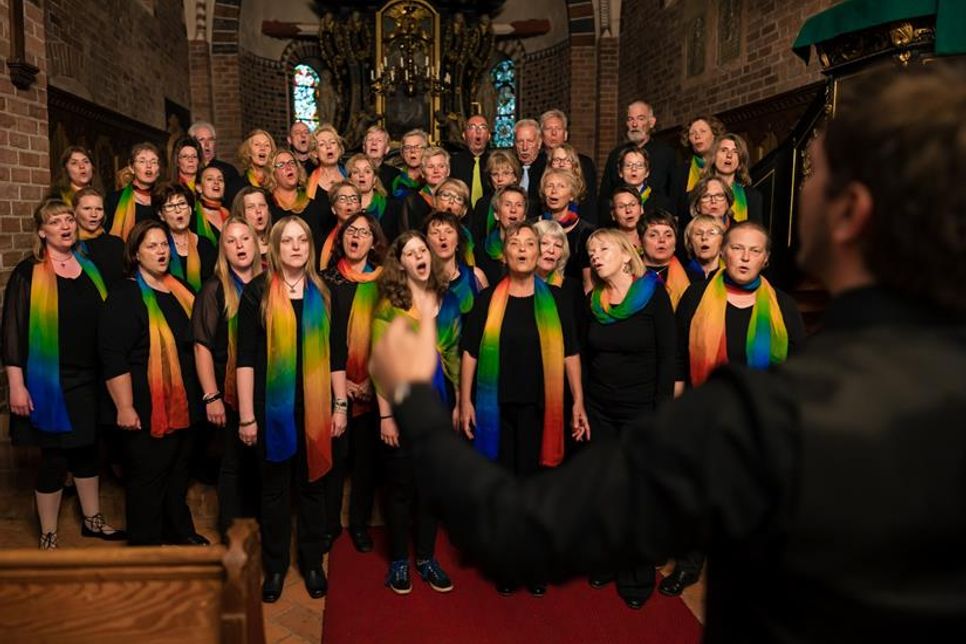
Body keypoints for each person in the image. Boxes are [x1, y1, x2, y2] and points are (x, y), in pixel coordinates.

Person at [369, 66, 966, 643]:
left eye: (815, 176)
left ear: (851, 211)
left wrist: (415, 402)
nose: (801, 189)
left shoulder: (776, 403)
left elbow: (530, 521)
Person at [664, 221, 804, 597]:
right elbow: (678, 357)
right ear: (724, 252)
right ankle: (689, 565)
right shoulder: (696, 296)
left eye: (754, 251)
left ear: (766, 259)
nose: (744, 257)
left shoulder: (783, 307)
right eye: (737, 248)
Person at [459, 221, 588, 596]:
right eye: (515, 242)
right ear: (505, 253)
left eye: (530, 243)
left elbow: (570, 352)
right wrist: (465, 400)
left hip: (541, 407)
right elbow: (469, 352)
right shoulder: (487, 299)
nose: (522, 249)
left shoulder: (557, 300)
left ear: (539, 253)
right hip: (495, 408)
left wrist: (579, 400)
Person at [236, 216, 348, 603]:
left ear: (311, 247)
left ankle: (313, 563)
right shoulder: (258, 293)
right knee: (274, 492)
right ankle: (276, 567)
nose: (296, 247)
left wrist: (340, 405)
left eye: (302, 240)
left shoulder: (326, 293)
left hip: (316, 407)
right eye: (288, 241)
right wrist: (247, 416)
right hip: (272, 409)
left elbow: (337, 356)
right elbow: (245, 359)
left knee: (314, 487)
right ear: (274, 247)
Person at [2, 199, 125, 549]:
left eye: (68, 219)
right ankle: (49, 532)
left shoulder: (89, 267)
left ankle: (92, 520)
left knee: (88, 451)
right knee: (54, 459)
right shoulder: (28, 273)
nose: (65, 226)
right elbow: (12, 333)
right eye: (55, 222)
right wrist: (16, 386)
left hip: (90, 378)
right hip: (50, 383)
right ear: (42, 231)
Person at [99, 219, 206, 547]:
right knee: (148, 479)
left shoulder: (180, 289)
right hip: (146, 406)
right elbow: (112, 355)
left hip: (183, 402)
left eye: (163, 245)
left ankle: (178, 530)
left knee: (178, 472)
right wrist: (125, 406)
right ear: (136, 253)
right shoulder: (125, 295)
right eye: (151, 246)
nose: (160, 252)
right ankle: (145, 547)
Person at [584, 228, 674, 609]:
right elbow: (587, 357)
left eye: (603, 248)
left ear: (626, 254)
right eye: (591, 251)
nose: (595, 255)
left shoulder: (653, 294)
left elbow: (668, 356)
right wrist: (583, 406)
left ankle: (637, 574)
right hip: (601, 409)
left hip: (641, 411)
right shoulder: (593, 301)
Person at [372, 231, 459, 596]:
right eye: (410, 253)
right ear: (401, 263)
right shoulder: (390, 306)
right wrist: (385, 416)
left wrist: (460, 405)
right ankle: (398, 562)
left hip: (440, 409)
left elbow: (456, 356)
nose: (419, 256)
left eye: (422, 250)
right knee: (401, 489)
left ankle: (425, 558)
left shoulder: (448, 300)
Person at [191, 216, 263, 542]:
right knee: (233, 463)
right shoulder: (214, 289)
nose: (239, 246)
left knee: (261, 462)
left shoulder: (269, 284)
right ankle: (232, 533)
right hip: (229, 390)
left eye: (244, 239)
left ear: (256, 243)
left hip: (265, 388)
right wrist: (211, 396)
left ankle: (258, 526)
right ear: (224, 250)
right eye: (231, 241)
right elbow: (202, 346)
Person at [323, 212, 388, 554]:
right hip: (333, 385)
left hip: (374, 389)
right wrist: (342, 382)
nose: (356, 236)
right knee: (334, 460)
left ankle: (360, 524)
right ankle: (329, 524)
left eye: (364, 232)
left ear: (374, 241)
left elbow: (391, 338)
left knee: (366, 464)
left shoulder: (385, 281)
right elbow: (319, 336)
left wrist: (371, 383)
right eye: (351, 231)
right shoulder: (326, 280)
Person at [600, 101, 678, 207]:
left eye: (640, 119)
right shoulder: (615, 154)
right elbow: (605, 196)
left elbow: (674, 193)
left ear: (652, 122)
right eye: (630, 119)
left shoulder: (666, 153)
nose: (634, 124)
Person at [539, 169, 595, 291]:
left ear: (572, 195)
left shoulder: (586, 232)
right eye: (549, 186)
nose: (554, 191)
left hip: (573, 296)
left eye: (561, 186)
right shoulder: (533, 227)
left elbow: (588, 282)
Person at [266, 149, 329, 257]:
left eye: (292, 163)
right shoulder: (266, 206)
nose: (288, 167)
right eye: (281, 165)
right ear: (273, 173)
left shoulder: (315, 206)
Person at [538, 110, 598, 221]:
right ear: (541, 136)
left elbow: (591, 205)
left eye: (558, 129)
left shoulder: (585, 164)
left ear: (565, 135)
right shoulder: (537, 166)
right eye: (548, 129)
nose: (554, 133)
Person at [155, 184, 217, 293]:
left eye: (182, 204)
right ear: (161, 215)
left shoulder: (205, 245)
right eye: (170, 206)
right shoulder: (159, 248)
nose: (178, 210)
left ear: (190, 209)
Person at [425, 210, 488, 315]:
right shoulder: (421, 281)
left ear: (458, 240)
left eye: (449, 231)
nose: (442, 237)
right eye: (435, 232)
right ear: (426, 241)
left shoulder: (476, 277)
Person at [105, 142, 161, 241]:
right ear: (131, 168)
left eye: (153, 162)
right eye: (142, 161)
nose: (149, 166)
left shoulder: (165, 199)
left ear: (159, 169)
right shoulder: (114, 199)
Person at [702, 133, 764, 223]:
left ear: (740, 160)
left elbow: (756, 230)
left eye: (735, 152)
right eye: (724, 150)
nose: (729, 155)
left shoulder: (752, 196)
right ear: (713, 156)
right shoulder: (698, 192)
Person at [73, 187, 125, 288]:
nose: (94, 214)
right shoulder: (68, 246)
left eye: (99, 209)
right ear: (74, 212)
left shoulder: (116, 244)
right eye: (87, 209)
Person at [476, 185, 527, 286]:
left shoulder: (532, 249)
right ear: (496, 214)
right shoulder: (481, 250)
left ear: (524, 216)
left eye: (519, 205)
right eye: (507, 205)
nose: (513, 210)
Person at [640, 211, 690, 311]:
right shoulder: (628, 276)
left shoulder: (692, 277)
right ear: (641, 241)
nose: (662, 240)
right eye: (653, 235)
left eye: (668, 235)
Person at [471, 150, 521, 243]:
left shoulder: (525, 202)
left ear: (515, 177)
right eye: (495, 174)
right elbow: (476, 240)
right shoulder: (482, 204)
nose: (500, 179)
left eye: (506, 173)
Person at [399, 146, 449, 232]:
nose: (436, 171)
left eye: (441, 166)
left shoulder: (458, 196)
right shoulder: (412, 201)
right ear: (422, 172)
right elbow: (406, 234)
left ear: (448, 171)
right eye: (430, 167)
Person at [549, 143, 598, 224]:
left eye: (567, 160)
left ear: (574, 165)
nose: (561, 164)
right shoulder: (544, 185)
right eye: (557, 160)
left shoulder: (584, 188)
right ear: (550, 164)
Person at [318, 181, 362, 270]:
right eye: (342, 199)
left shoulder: (370, 236)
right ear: (333, 209)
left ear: (360, 207)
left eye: (354, 198)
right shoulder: (322, 239)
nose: (349, 202)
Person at [449, 114, 491, 208]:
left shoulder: (495, 162)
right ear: (464, 135)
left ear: (489, 136)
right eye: (472, 127)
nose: (478, 131)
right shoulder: (452, 163)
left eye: (483, 127)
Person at [679, 115, 727, 195]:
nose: (697, 136)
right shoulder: (680, 173)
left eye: (703, 131)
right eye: (692, 133)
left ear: (715, 135)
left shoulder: (729, 166)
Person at [189, 121, 240, 190]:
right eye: (201, 140)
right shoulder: (188, 170)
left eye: (210, 139)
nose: (207, 144)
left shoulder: (228, 171)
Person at [228, 129, 276, 199]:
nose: (262, 148)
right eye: (257, 144)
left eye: (267, 145)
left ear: (271, 152)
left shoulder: (278, 182)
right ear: (248, 151)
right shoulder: (237, 185)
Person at [232, 186, 272, 262]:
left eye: (262, 205)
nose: (258, 211)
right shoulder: (237, 247)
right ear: (241, 213)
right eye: (251, 207)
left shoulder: (279, 242)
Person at [193, 164, 230, 245]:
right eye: (210, 179)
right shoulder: (192, 216)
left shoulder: (229, 215)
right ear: (199, 187)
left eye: (220, 180)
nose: (216, 182)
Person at [306, 125, 346, 200]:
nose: (328, 146)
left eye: (333, 142)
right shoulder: (308, 183)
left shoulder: (350, 176)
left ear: (339, 149)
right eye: (322, 144)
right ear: (315, 153)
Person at [513, 119, 543, 217]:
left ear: (539, 143)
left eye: (530, 141)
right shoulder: (509, 168)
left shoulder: (547, 169)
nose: (524, 147)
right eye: (520, 142)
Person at [682, 214, 724, 282]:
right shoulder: (680, 276)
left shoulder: (731, 276)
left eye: (711, 233)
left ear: (723, 240)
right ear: (689, 243)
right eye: (698, 234)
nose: (704, 237)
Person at [362, 125, 401, 191]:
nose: (374, 143)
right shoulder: (352, 170)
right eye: (370, 139)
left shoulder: (395, 175)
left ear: (386, 149)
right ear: (364, 147)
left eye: (379, 140)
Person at [391, 129, 428, 199]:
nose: (412, 151)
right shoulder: (394, 179)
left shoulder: (433, 177)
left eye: (417, 147)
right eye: (407, 147)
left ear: (426, 151)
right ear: (402, 153)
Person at [609, 185, 645, 255]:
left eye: (632, 204)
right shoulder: (609, 244)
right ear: (613, 214)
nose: (628, 210)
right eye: (621, 206)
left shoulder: (653, 238)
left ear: (641, 208)